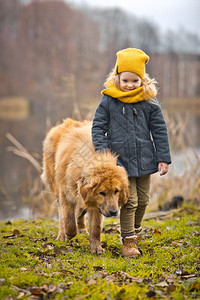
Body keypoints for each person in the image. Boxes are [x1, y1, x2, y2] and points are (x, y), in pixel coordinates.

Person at [92, 48, 171, 257]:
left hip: (145, 159)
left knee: (144, 200)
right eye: (125, 80)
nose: (129, 84)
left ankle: (134, 232)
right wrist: (103, 155)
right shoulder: (109, 100)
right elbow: (98, 127)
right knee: (130, 201)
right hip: (120, 163)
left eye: (134, 80)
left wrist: (163, 158)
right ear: (117, 78)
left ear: (142, 80)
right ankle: (127, 242)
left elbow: (159, 130)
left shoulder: (149, 101)